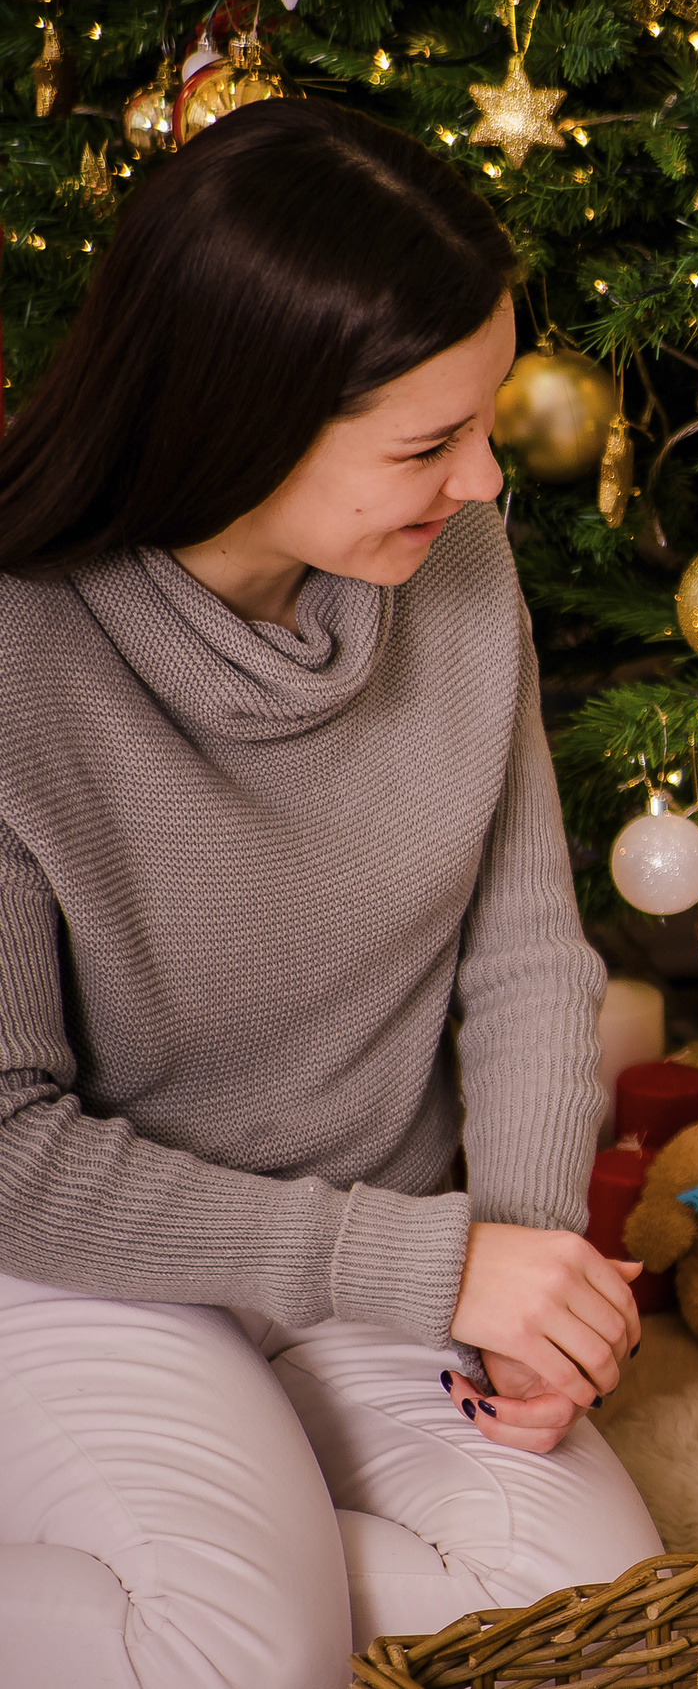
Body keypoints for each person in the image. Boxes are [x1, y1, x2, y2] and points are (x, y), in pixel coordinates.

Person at [0, 100, 660, 1686]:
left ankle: (210, 1557)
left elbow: (523, 957)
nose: (488, 480)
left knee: (588, 1633)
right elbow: (7, 1150)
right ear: (235, 419)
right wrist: (427, 1271)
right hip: (88, 1268)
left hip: (387, 1242)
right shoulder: (22, 660)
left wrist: (520, 1265)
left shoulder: (452, 564)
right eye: (429, 444)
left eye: (487, 416)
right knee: (239, 1654)